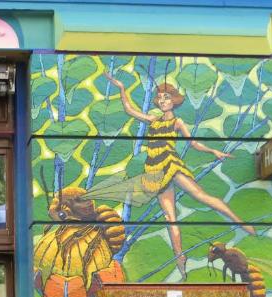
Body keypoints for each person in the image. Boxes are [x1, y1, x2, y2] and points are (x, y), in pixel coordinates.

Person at [104, 71, 256, 279]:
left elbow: (193, 143)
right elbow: (129, 110)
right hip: (155, 171)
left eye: (167, 97)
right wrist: (121, 87)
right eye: (160, 98)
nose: (163, 100)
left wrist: (213, 152)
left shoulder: (177, 122)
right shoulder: (153, 120)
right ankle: (180, 259)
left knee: (203, 197)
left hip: (170, 164)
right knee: (170, 219)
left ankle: (241, 223)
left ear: (174, 101)